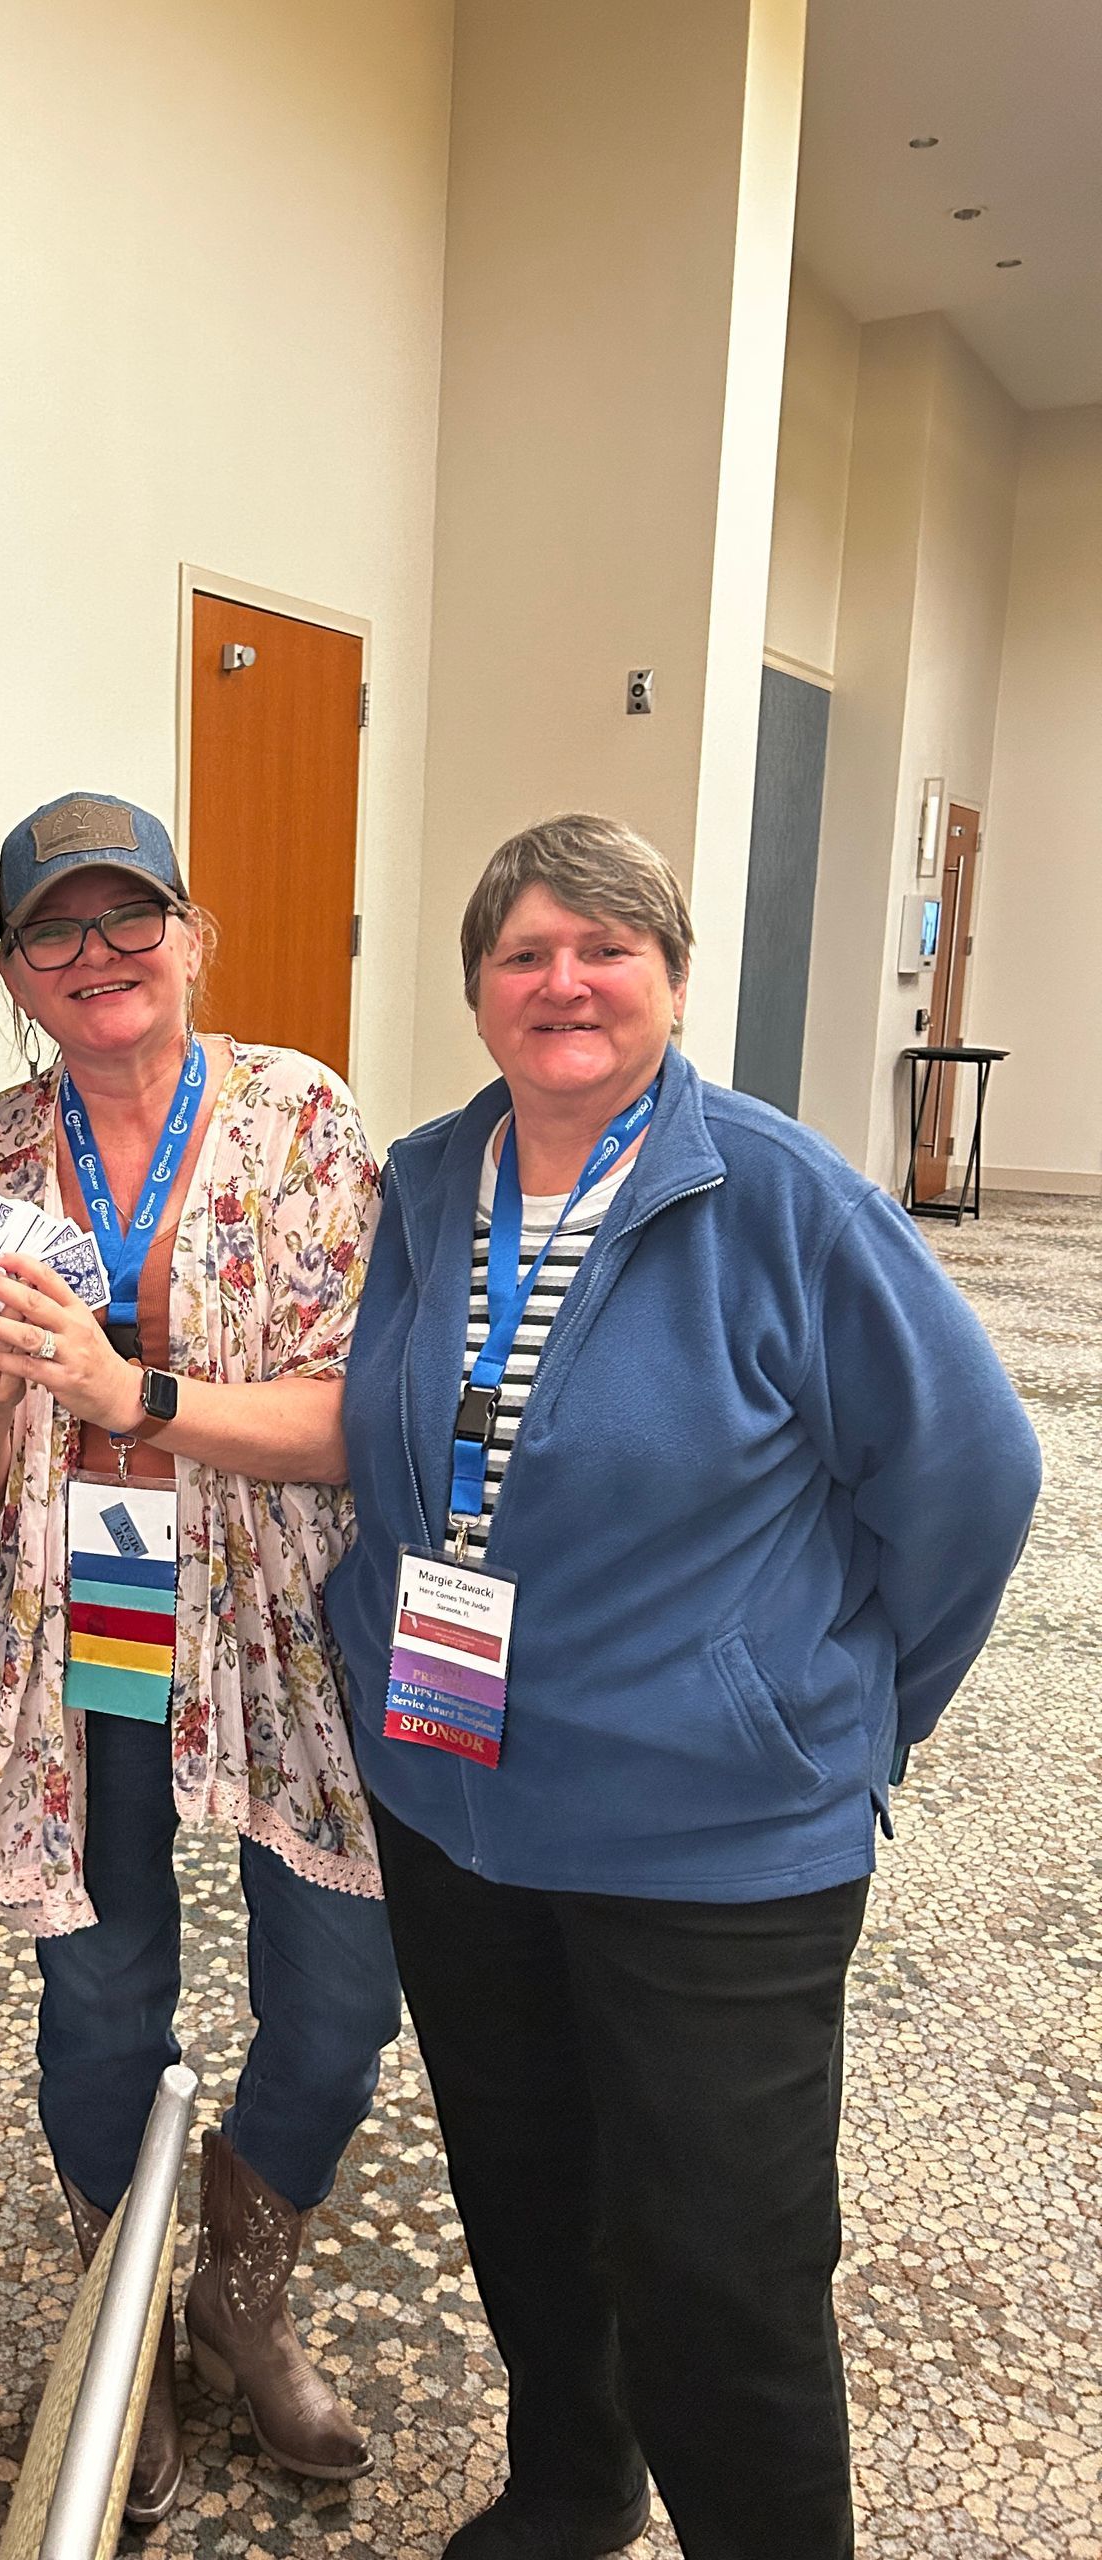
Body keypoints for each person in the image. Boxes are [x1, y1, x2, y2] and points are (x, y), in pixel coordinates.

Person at [326, 813, 1040, 2560]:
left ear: (671, 978)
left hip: (711, 1840)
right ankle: (576, 2486)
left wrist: (822, 1712)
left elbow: (972, 1477)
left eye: (608, 949)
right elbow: (388, 1437)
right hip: (457, 1806)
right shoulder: (429, 1183)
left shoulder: (786, 1200)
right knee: (524, 2190)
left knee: (724, 2260)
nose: (564, 982)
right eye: (524, 953)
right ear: (479, 993)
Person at [0, 792, 400, 2520]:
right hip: (74, 1614)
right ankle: (121, 2333)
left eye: (131, 918)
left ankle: (241, 2294)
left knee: (343, 1990)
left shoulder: (304, 1120)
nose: (98, 954)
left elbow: (356, 1419)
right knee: (106, 1992)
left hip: (281, 1608)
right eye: (56, 929)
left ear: (192, 936)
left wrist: (133, 1395)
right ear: (14, 970)